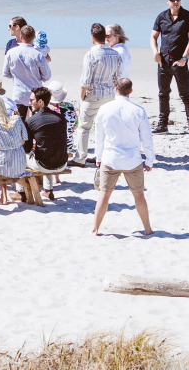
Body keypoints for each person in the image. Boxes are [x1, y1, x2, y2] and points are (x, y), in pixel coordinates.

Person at [91, 78, 155, 236]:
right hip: (132, 160)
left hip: (110, 158)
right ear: (131, 91)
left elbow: (99, 137)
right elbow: (147, 139)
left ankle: (95, 228)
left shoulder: (104, 109)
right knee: (139, 195)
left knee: (104, 194)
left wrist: (98, 157)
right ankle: (147, 228)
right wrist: (149, 160)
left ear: (115, 89)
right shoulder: (138, 111)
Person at [150, 0, 189, 136]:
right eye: (173, 0)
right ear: (167, 1)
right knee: (163, 94)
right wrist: (155, 53)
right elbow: (153, 37)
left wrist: (184, 58)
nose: (176, 2)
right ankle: (162, 125)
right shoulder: (161, 17)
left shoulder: (188, 17)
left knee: (185, 95)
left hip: (179, 62)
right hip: (163, 62)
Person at [75, 23, 122, 167]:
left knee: (84, 127)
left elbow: (85, 81)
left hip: (93, 95)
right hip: (109, 95)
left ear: (92, 37)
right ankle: (101, 156)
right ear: (105, 37)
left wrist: (82, 96)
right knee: (105, 128)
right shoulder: (115, 54)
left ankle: (80, 158)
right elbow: (117, 77)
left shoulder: (91, 54)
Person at [1, 25, 50, 119]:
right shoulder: (38, 55)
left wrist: (16, 75)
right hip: (35, 94)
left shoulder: (11, 52)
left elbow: (5, 73)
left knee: (20, 121)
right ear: (34, 37)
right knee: (36, 122)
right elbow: (47, 76)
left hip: (19, 93)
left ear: (20, 37)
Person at [25, 86, 69, 174]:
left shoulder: (32, 121)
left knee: (21, 157)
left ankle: (23, 185)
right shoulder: (61, 118)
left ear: (40, 102)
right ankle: (48, 183)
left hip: (43, 165)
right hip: (62, 164)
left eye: (31, 100)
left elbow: (27, 149)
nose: (29, 103)